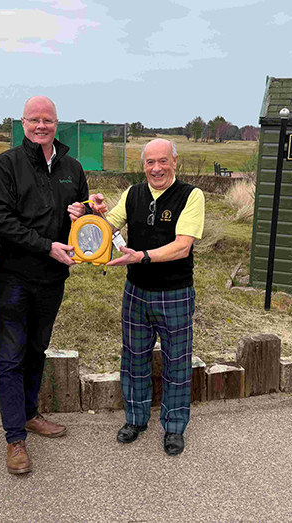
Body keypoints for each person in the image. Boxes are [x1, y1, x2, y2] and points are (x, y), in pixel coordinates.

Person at [0, 95, 96, 474]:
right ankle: (15, 438)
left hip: (53, 279)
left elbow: (82, 221)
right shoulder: (5, 165)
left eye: (47, 120)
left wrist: (87, 211)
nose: (40, 126)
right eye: (33, 120)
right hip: (13, 279)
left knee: (37, 349)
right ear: (22, 123)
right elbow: (2, 220)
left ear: (56, 123)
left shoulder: (72, 167)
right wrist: (46, 246)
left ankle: (30, 413)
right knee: (12, 356)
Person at [97, 138, 205, 456]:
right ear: (142, 164)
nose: (156, 168)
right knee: (133, 359)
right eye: (149, 162)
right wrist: (92, 213)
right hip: (136, 292)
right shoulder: (133, 193)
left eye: (162, 161)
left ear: (175, 162)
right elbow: (108, 227)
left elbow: (182, 246)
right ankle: (136, 419)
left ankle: (173, 428)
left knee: (177, 363)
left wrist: (141, 256)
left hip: (175, 293)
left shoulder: (191, 195)